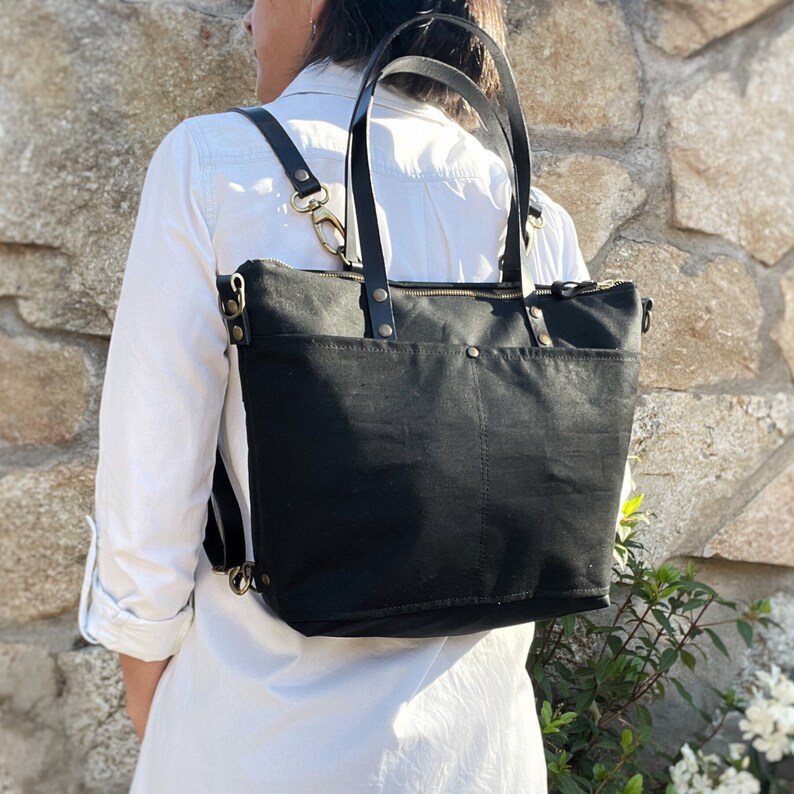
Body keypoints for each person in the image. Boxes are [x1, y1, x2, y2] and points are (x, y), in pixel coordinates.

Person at [78, 0, 590, 791]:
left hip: (263, 741)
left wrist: (155, 702)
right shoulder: (530, 218)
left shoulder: (214, 167)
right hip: (480, 753)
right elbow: (582, 492)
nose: (245, 23)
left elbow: (150, 495)